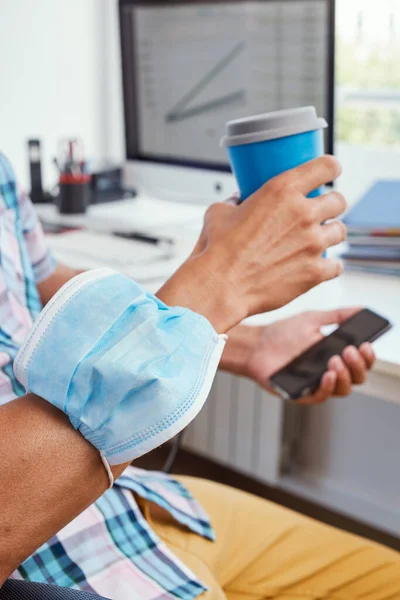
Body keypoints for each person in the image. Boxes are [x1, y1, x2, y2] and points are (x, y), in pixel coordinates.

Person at [0, 151, 398, 599]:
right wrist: (220, 280)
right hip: (52, 551)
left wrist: (248, 343)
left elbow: (37, 286)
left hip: (137, 501)